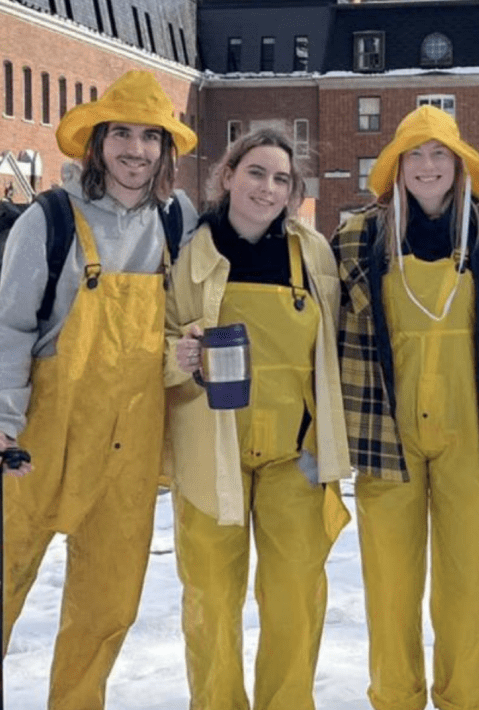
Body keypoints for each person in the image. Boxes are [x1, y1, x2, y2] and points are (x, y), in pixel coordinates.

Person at [0, 70, 198, 710]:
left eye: (150, 137)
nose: (137, 150)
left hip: (126, 456)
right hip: (38, 446)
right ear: (98, 142)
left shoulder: (176, 223)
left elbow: (179, 326)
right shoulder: (48, 220)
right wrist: (0, 421)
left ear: (166, 149)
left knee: (106, 611)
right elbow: (9, 330)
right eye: (123, 134)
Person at [332, 105, 479, 710]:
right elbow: (317, 316)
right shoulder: (361, 235)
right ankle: (395, 698)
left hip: (473, 431)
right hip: (387, 434)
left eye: (441, 155)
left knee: (469, 586)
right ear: (397, 167)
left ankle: (469, 697)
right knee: (391, 586)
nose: (429, 166)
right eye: (417, 154)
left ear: (459, 166)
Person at [164, 128, 351, 710]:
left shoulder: (313, 253)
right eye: (255, 173)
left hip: (296, 456)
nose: (267, 188)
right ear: (227, 176)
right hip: (209, 455)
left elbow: (337, 344)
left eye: (280, 179)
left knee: (296, 598)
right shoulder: (186, 251)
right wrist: (175, 357)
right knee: (211, 602)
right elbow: (155, 339)